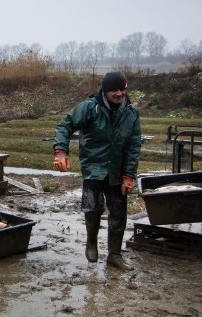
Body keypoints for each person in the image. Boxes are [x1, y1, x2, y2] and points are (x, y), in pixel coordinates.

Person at [52, 71, 142, 270]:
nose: (119, 94)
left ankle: (115, 255)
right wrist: (60, 151)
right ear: (105, 91)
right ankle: (91, 243)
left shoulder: (132, 114)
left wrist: (129, 175)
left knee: (119, 212)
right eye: (114, 90)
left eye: (122, 89)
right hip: (93, 168)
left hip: (117, 171)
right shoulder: (89, 108)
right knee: (92, 208)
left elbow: (133, 146)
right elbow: (65, 125)